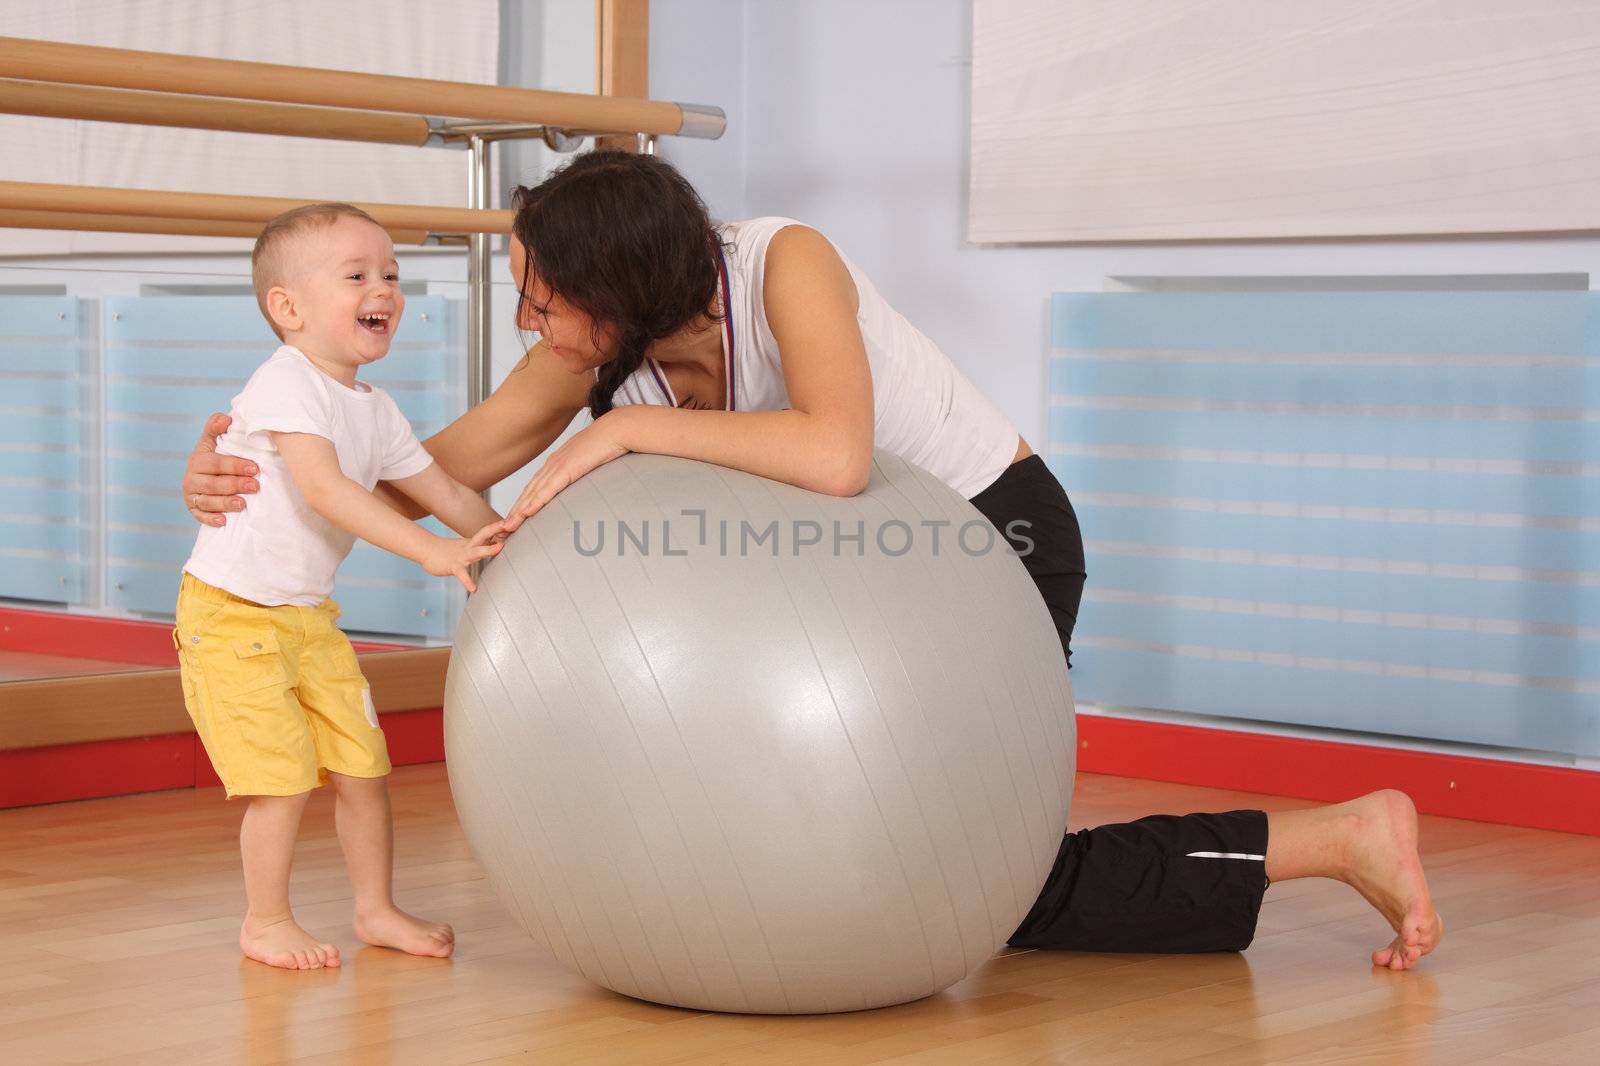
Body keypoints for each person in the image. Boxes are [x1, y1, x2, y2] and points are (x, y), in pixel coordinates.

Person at [184, 153, 1443, 970]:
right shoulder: (592, 339)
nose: (530, 323)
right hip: (831, 588)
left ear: (616, 285)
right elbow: (430, 465)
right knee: (865, 853)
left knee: (976, 884)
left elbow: (838, 453)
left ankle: (1331, 840)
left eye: (542, 297)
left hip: (982, 537)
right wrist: (263, 463)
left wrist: (621, 425)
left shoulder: (783, 260)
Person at [177, 203, 507, 971]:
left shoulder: (375, 409)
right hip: (231, 619)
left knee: (363, 766)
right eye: (357, 275)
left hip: (306, 619)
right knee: (282, 778)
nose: (384, 288)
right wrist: (433, 553)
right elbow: (325, 490)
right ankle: (266, 920)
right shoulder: (287, 381)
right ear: (287, 309)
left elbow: (446, 492)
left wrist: (509, 544)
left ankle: (376, 909)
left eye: (391, 273)